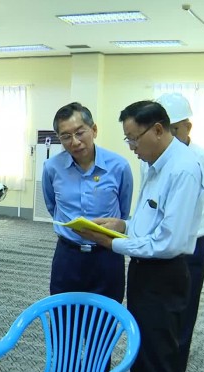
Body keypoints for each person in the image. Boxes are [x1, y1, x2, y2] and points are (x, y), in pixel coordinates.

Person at [76, 100, 203, 372]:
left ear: (158, 130)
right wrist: (123, 226)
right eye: (127, 139)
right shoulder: (155, 163)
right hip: (144, 270)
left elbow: (169, 241)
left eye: (134, 138)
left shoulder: (183, 169)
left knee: (159, 366)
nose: (132, 147)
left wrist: (112, 243)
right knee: (143, 360)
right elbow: (151, 224)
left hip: (164, 274)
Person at [156, 92, 204, 372]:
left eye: (175, 128)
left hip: (191, 250)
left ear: (188, 126)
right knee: (155, 320)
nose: (169, 135)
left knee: (183, 319)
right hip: (156, 248)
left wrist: (197, 235)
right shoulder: (151, 159)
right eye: (164, 129)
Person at [43, 102, 133, 303]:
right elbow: (52, 205)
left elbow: (123, 209)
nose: (74, 142)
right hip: (68, 255)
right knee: (64, 315)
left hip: (107, 254)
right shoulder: (52, 167)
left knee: (106, 315)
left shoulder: (119, 166)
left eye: (80, 132)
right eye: (66, 136)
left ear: (94, 130)